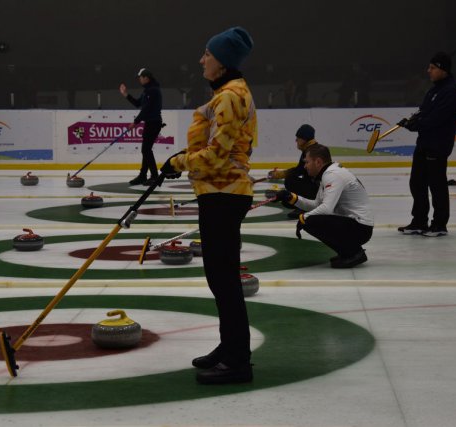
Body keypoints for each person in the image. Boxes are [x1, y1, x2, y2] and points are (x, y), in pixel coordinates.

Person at [160, 27, 256, 385]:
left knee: (224, 279)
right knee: (220, 279)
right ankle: (229, 346)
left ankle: (238, 361)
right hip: (219, 192)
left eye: (207, 54)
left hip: (224, 194)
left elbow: (217, 155)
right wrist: (183, 158)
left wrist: (178, 163)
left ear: (223, 61)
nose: (202, 60)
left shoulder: (231, 97)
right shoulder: (227, 94)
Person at [275, 144, 374, 268]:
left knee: (310, 221)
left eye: (307, 162)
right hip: (357, 224)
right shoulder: (327, 173)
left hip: (360, 228)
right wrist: (292, 198)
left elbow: (326, 208)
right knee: (310, 219)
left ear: (318, 162)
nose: (305, 166)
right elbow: (317, 205)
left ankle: (353, 253)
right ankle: (348, 251)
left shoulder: (332, 175)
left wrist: (304, 217)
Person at [397, 52, 456, 236]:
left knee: (436, 184)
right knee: (416, 182)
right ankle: (419, 221)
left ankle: (439, 224)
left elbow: (437, 118)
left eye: (432, 68)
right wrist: (411, 121)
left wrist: (417, 124)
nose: (429, 71)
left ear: (443, 69)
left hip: (438, 145)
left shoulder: (451, 92)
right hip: (424, 142)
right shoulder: (434, 90)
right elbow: (424, 111)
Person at [120, 68, 163, 186]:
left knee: (146, 149)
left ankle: (154, 177)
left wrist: (135, 122)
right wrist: (126, 95)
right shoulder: (147, 90)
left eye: (140, 77)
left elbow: (146, 109)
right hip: (150, 123)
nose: (139, 79)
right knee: (146, 149)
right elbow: (138, 104)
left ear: (146, 78)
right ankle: (143, 175)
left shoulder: (153, 90)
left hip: (154, 123)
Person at [267, 124, 320, 218]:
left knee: (290, 180)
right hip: (319, 188)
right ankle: (305, 204)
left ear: (304, 139)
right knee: (286, 201)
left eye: (298, 138)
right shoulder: (314, 148)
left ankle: (305, 207)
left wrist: (281, 174)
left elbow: (300, 170)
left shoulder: (310, 152)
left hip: (317, 190)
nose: (296, 140)